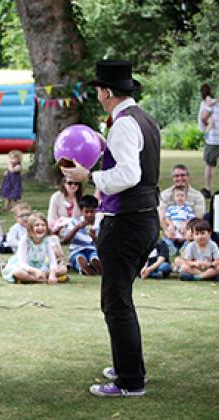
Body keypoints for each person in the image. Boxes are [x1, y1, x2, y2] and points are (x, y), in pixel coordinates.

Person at [63, 60, 160, 397]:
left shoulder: (123, 125)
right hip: (144, 218)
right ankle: (128, 367)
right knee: (120, 300)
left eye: (99, 91)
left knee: (116, 303)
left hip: (127, 223)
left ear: (106, 92)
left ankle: (129, 381)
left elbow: (129, 175)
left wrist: (88, 176)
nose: (98, 97)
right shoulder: (145, 119)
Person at [2, 213, 67, 284]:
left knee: (63, 269)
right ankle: (40, 279)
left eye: (43, 225)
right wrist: (34, 271)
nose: (40, 227)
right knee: (18, 272)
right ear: (30, 228)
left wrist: (52, 274)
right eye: (37, 225)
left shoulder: (47, 240)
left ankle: (42, 276)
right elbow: (22, 262)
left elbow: (52, 260)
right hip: (26, 266)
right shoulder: (25, 240)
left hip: (41, 266)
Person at [61, 195, 102, 275]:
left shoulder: (99, 224)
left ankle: (96, 265)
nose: (89, 214)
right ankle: (84, 268)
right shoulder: (75, 222)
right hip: (77, 250)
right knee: (78, 257)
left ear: (96, 211)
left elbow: (102, 245)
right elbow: (65, 241)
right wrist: (77, 228)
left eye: (92, 212)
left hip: (93, 250)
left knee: (94, 256)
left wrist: (95, 238)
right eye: (86, 212)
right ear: (81, 211)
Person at [162, 185, 195, 255]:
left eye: (182, 195)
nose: (180, 197)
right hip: (173, 226)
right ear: (174, 198)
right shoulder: (170, 208)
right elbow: (167, 218)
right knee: (166, 236)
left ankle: (184, 247)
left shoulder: (188, 209)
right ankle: (170, 247)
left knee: (189, 235)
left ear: (185, 197)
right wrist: (171, 225)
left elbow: (190, 219)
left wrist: (185, 224)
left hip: (183, 226)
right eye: (177, 195)